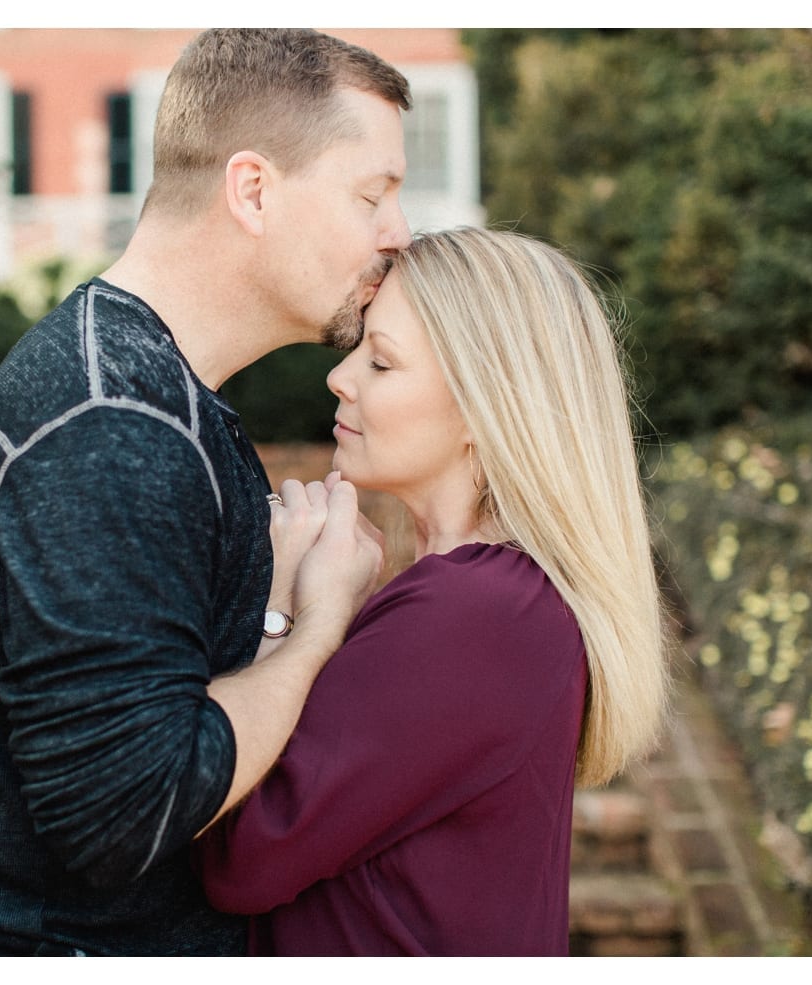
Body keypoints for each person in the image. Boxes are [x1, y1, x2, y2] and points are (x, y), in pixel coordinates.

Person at [0, 28, 410, 956]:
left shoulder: (147, 391)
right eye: (372, 195)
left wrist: (267, 614)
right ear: (252, 190)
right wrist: (318, 626)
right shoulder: (110, 423)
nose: (396, 233)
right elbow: (127, 813)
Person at [197, 227, 672, 956]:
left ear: (486, 410)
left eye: (382, 362)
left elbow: (239, 854)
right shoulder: (497, 599)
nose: (340, 377)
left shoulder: (476, 615)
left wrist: (290, 608)